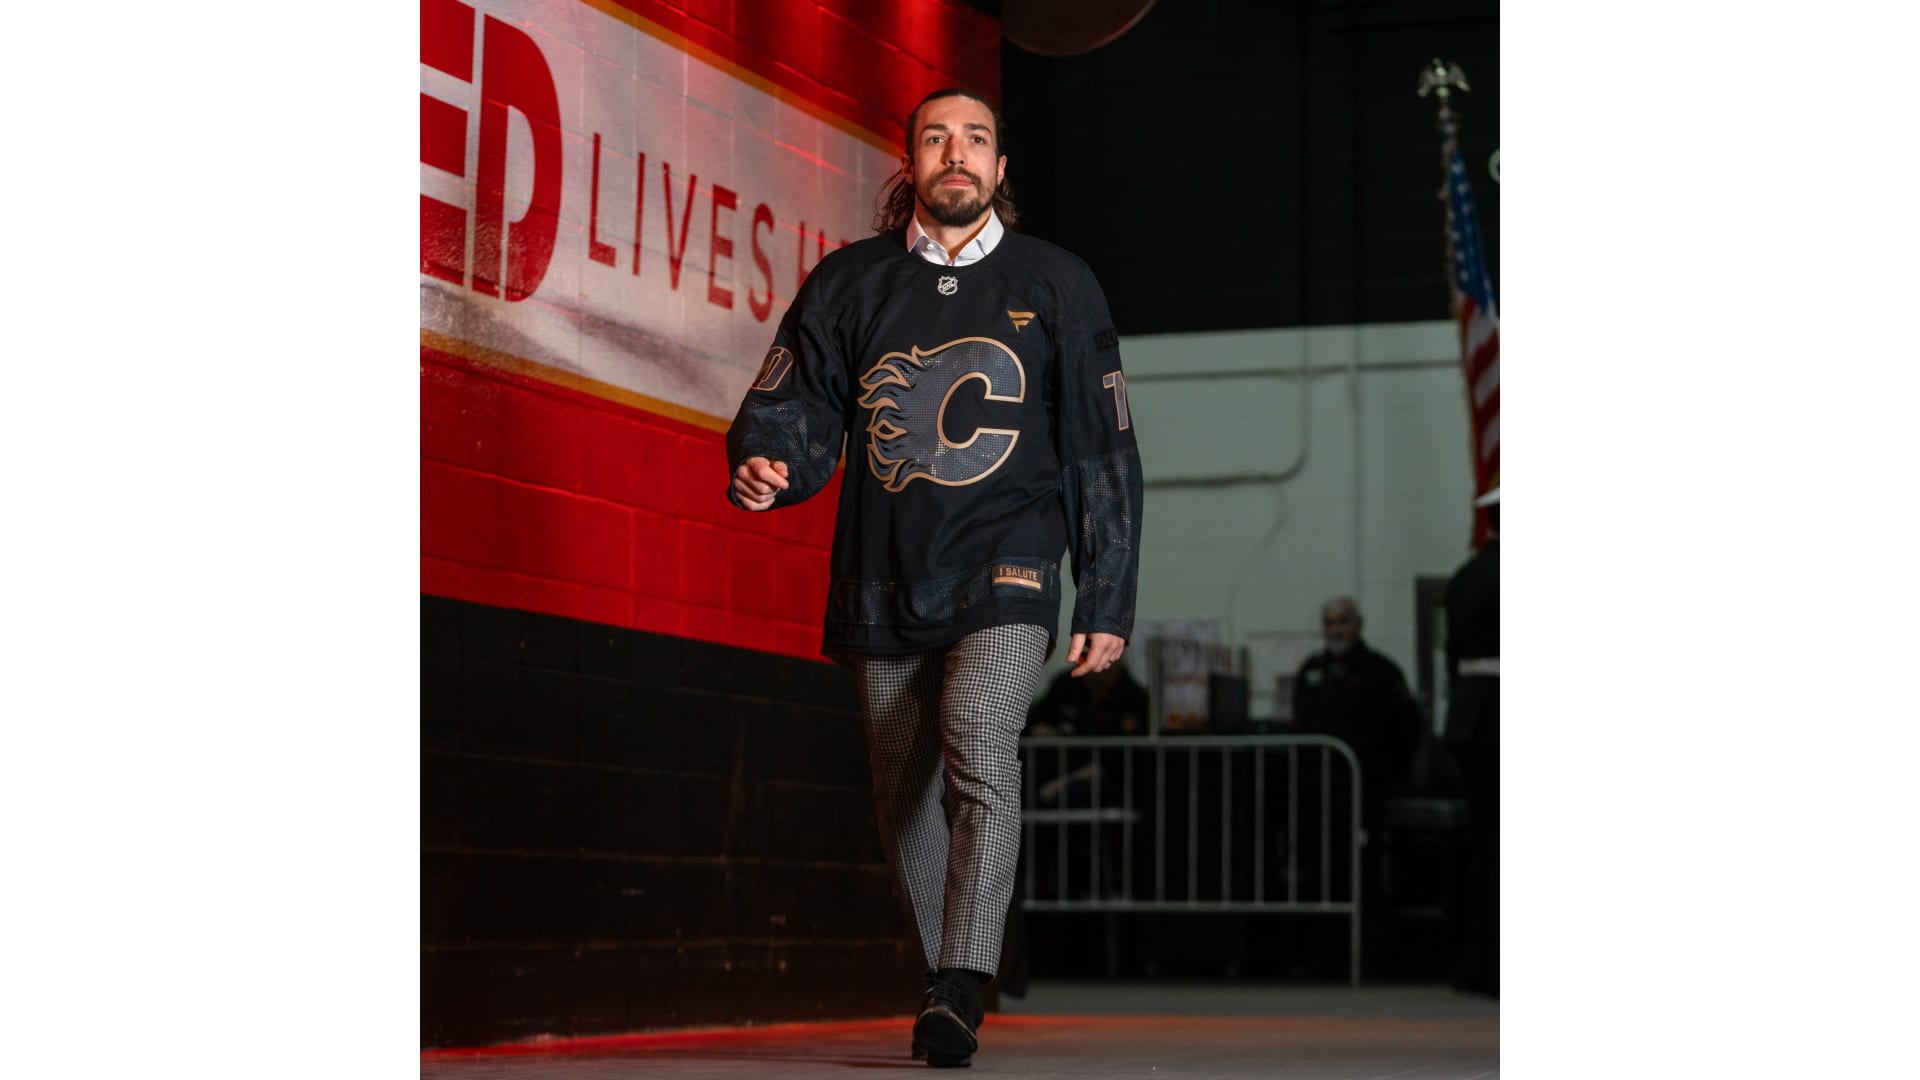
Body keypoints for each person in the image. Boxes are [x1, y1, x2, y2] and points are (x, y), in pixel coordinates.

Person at [725, 87, 1143, 1069]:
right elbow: (797, 403)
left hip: (1012, 565)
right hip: (885, 572)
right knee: (903, 795)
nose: (957, 153)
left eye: (976, 139)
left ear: (1000, 168)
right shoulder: (849, 281)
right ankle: (946, 975)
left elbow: (1103, 451)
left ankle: (958, 983)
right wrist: (768, 461)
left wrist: (1107, 594)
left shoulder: (1059, 282)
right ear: (911, 162)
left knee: (977, 740)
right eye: (936, 138)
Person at [1291, 596, 1426, 825]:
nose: (1335, 630)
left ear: (1358, 624)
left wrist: (1384, 773)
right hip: (1318, 786)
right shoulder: (1311, 669)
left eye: (1342, 621)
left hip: (1368, 785)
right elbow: (1300, 719)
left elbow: (1408, 728)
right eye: (1329, 623)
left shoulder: (1381, 670)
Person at [1443, 487, 1499, 997]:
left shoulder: (1464, 577)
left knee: (1485, 843)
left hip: (1470, 716)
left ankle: (1476, 962)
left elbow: (1452, 657)